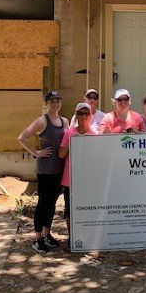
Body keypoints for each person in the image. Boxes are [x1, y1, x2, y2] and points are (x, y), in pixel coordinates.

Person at [17, 90, 68, 253]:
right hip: (46, 169)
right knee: (43, 203)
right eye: (52, 101)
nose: (55, 104)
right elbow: (22, 137)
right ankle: (37, 238)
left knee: (52, 203)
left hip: (60, 168)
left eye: (58, 100)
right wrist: (36, 152)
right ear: (46, 103)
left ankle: (47, 234)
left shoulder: (64, 120)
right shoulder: (42, 121)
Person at [59, 103, 99, 241]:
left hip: (87, 179)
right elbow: (61, 154)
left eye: (86, 113)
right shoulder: (69, 133)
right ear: (76, 116)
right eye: (80, 113)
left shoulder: (94, 133)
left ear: (90, 116)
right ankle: (72, 238)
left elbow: (99, 156)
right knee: (70, 209)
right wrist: (72, 141)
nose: (83, 116)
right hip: (70, 178)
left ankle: (86, 236)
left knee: (87, 208)